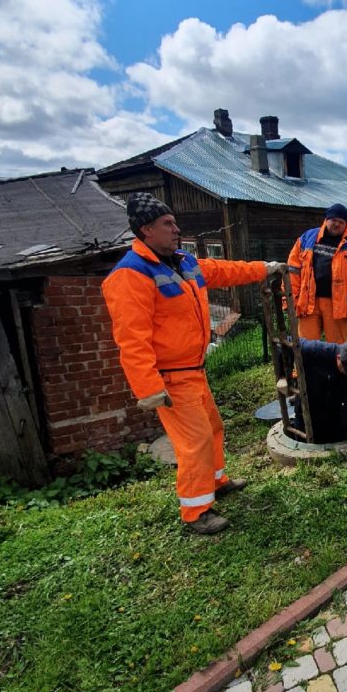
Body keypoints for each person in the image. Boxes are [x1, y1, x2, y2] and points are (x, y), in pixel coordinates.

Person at [102, 193, 284, 534]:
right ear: (145, 230)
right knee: (195, 441)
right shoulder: (130, 275)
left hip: (194, 371)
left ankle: (216, 483)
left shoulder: (183, 261)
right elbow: (131, 338)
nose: (176, 228)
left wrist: (264, 269)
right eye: (167, 224)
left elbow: (224, 270)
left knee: (213, 429)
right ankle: (196, 511)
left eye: (174, 222)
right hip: (170, 379)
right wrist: (149, 388)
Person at [287, 204, 347, 343]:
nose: (337, 224)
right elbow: (293, 271)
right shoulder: (307, 238)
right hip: (308, 302)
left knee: (337, 348)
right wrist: (289, 300)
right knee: (306, 347)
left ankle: (335, 366)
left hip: (338, 305)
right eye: (334, 220)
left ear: (346, 224)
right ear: (327, 219)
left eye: (341, 222)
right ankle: (308, 366)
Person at [280, 338, 347, 443]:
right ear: (338, 358)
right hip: (309, 402)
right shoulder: (314, 350)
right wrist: (284, 376)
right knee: (305, 431)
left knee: (336, 430)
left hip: (335, 407)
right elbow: (284, 345)